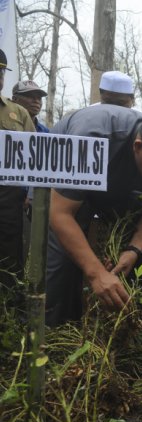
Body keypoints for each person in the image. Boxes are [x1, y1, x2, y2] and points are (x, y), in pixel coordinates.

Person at [46, 108, 142, 328]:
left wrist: (133, 251)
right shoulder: (93, 137)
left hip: (116, 190)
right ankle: (56, 333)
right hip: (60, 191)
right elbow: (61, 213)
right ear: (138, 147)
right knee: (63, 261)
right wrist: (96, 273)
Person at [0, 50, 36, 293]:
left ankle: (8, 318)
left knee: (10, 258)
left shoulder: (18, 113)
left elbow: (36, 155)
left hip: (8, 196)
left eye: (1, 72)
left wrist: (30, 193)